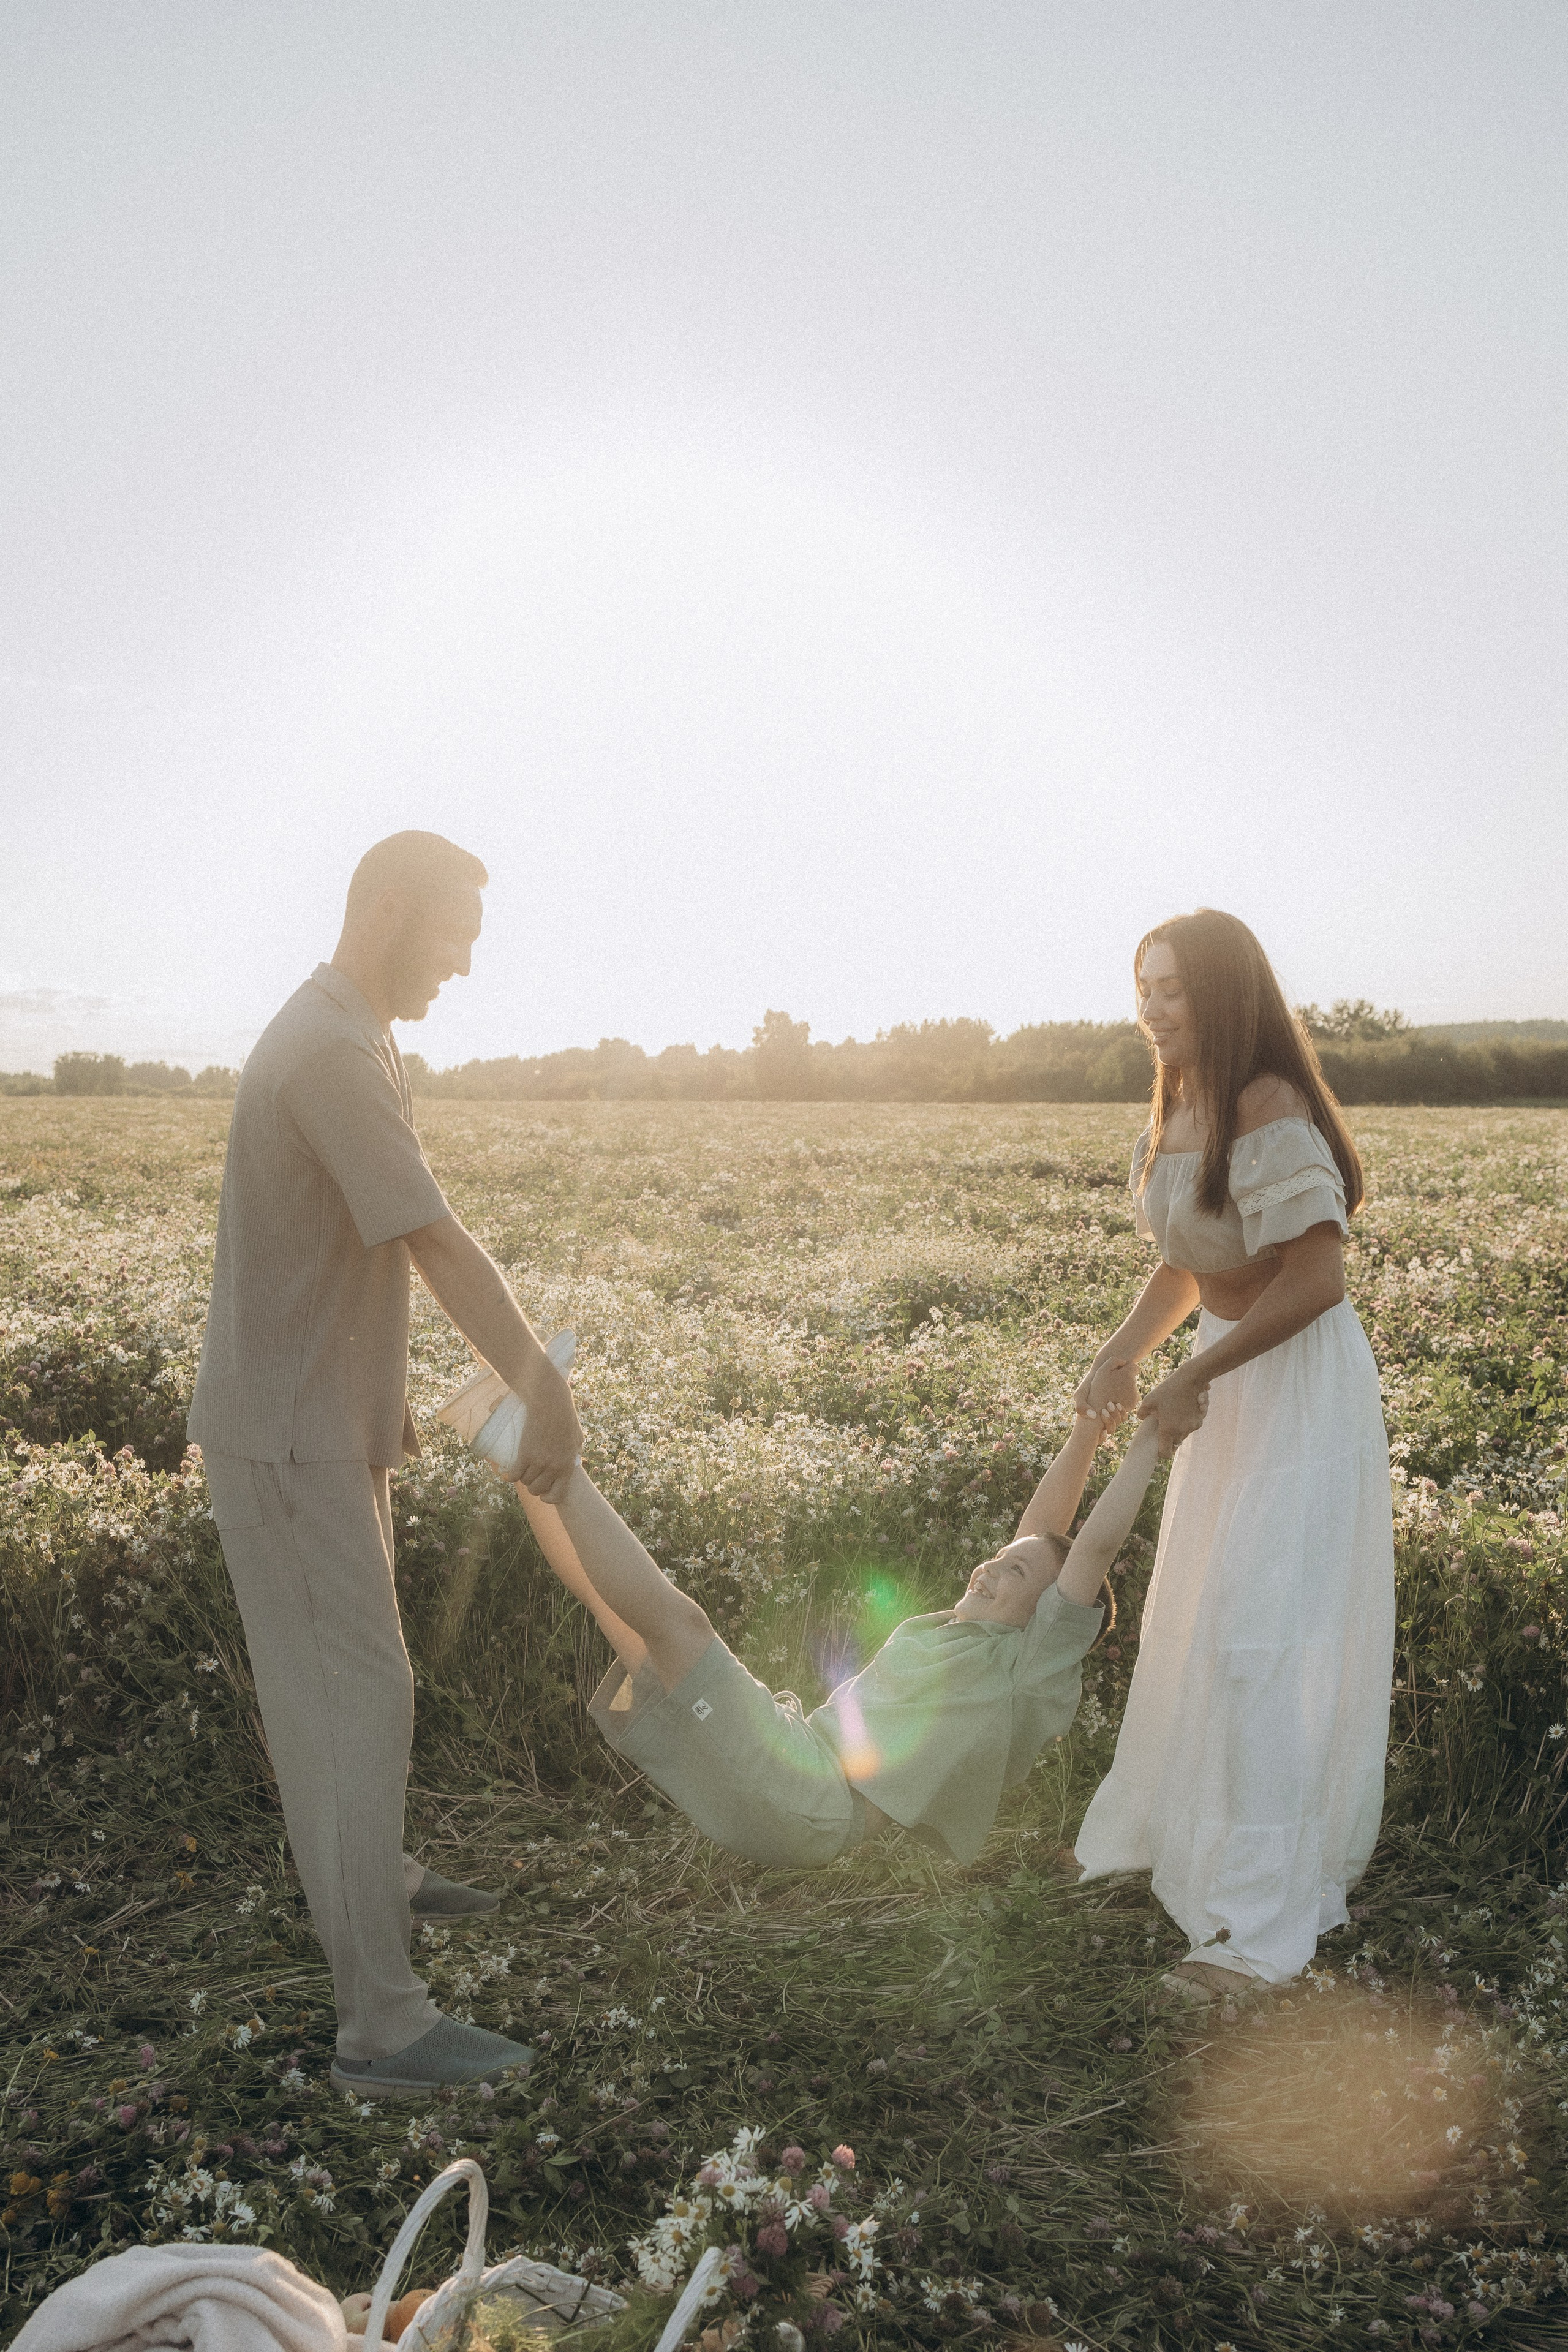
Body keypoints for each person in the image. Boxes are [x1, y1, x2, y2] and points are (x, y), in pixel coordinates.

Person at [187, 831, 582, 2098]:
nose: (464, 964)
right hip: (288, 1439)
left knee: (345, 1692)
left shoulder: (349, 1030)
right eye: (456, 933)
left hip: (312, 1427)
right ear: (390, 909)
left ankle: (377, 1880)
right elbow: (436, 1243)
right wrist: (540, 1381)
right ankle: (383, 2027)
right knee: (357, 1697)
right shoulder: (328, 1053)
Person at [439, 1353, 1188, 1869]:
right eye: (998, 1558)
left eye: (1014, 1572)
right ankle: (518, 1457)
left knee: (681, 1625)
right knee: (621, 1617)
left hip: (813, 1803)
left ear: (1047, 1621)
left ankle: (541, 1448)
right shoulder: (963, 1631)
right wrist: (1090, 1427)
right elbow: (1044, 1529)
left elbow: (1083, 1554)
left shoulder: (1026, 1669)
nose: (991, 1565)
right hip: (792, 1762)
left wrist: (1151, 1440)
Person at [1072, 908, 1395, 1997]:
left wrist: (1196, 1376)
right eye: (1143, 987)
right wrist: (1125, 1354)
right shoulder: (1179, 1103)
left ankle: (1260, 1935)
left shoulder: (1269, 1103)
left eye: (1171, 987)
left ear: (1223, 992)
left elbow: (1317, 1277)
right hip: (1223, 1373)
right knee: (1211, 1620)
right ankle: (1203, 1851)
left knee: (1266, 1637)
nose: (1152, 1007)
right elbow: (1188, 1257)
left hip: (1294, 1386)